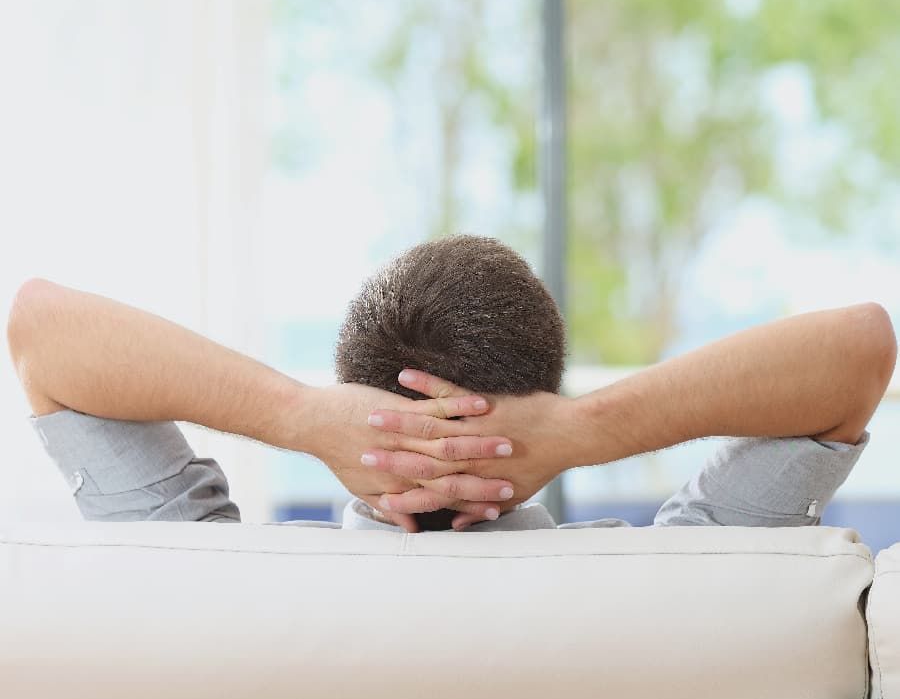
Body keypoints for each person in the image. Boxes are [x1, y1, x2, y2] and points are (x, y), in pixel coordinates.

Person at [6, 236, 896, 533]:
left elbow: (41, 330)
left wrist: (302, 419)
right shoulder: (674, 583)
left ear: (355, 391)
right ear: (543, 388)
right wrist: (586, 429)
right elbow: (861, 351)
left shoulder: (207, 587)